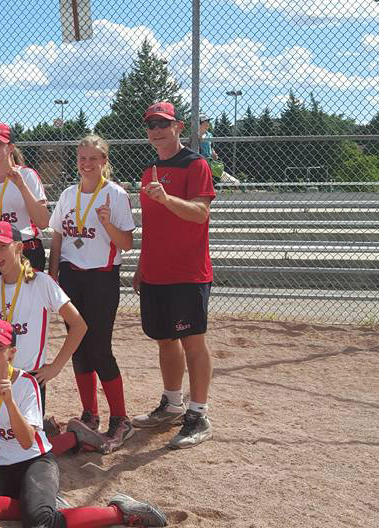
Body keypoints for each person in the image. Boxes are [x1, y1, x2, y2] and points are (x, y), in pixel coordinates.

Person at [0, 319, 168, 528]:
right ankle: (39, 508)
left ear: (12, 352)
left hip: (34, 463)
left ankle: (120, 511)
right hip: (2, 469)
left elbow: (27, 442)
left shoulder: (26, 384)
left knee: (40, 524)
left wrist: (9, 402)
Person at [131, 101, 215, 449]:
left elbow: (200, 213)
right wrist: (141, 265)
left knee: (192, 342)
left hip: (187, 272)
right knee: (164, 339)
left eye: (163, 123)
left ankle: (198, 413)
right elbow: (152, 224)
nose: (156, 129)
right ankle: (172, 403)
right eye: (151, 124)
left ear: (178, 127)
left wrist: (167, 199)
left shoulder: (195, 164)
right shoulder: (149, 169)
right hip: (156, 270)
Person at [48, 134, 137, 454]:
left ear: (104, 162)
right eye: (82, 158)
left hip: (102, 277)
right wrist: (52, 273)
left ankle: (121, 419)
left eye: (93, 158)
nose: (86, 164)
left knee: (99, 347)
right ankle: (90, 414)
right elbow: (58, 236)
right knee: (78, 349)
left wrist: (107, 223)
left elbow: (126, 244)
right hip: (72, 276)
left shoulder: (115, 195)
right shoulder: (69, 194)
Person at [0, 222, 87, 415]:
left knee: (28, 441)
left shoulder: (41, 282)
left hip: (31, 378)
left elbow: (79, 325)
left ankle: (71, 436)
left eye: (3, 247)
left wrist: (55, 367)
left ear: (19, 247)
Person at [0, 122, 50, 278]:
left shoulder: (26, 175)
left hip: (25, 251)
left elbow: (43, 222)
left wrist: (21, 186)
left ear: (10, 147)